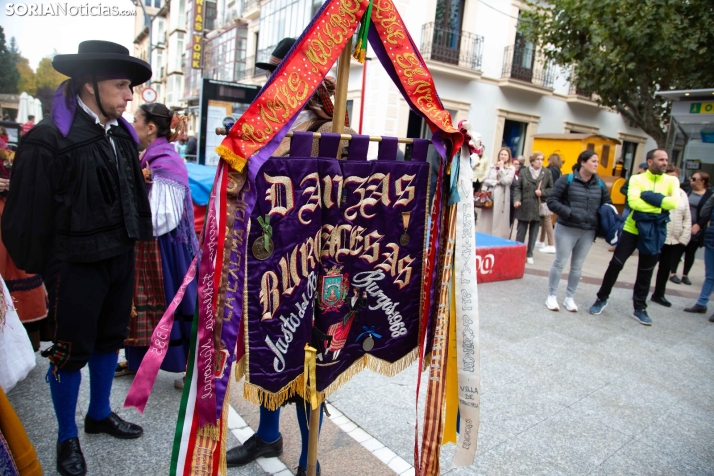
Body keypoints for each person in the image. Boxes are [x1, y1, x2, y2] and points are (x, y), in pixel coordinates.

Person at [1, 40, 153, 476]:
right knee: (69, 352)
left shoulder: (120, 136)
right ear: (89, 85)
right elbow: (27, 216)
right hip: (75, 265)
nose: (129, 96)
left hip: (118, 256)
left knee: (110, 339)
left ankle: (99, 413)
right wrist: (51, 268)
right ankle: (67, 437)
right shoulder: (50, 140)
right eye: (122, 85)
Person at [226, 37, 328, 476]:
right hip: (264, 256)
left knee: (308, 362)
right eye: (271, 74)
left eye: (280, 72)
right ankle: (268, 435)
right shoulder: (263, 123)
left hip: (308, 261)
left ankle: (310, 459)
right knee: (266, 350)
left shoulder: (327, 126)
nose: (273, 82)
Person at [117, 103, 197, 388]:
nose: (133, 123)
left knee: (177, 303)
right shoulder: (150, 156)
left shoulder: (165, 161)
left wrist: (127, 224)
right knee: (139, 303)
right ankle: (137, 361)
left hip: (166, 247)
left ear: (150, 128)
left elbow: (164, 216)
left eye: (136, 119)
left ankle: (193, 369)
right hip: (147, 242)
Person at [589, 149, 679, 325]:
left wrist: (649, 197)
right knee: (616, 264)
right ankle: (601, 298)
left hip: (655, 231)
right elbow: (634, 203)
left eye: (666, 159)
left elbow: (674, 203)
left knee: (646, 271)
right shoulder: (637, 179)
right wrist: (661, 204)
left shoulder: (671, 180)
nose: (664, 162)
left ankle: (640, 308)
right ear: (650, 161)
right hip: (632, 229)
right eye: (660, 159)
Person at [0, 135, 49, 351]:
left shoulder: (8, 147)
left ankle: (20, 342)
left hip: (9, 209)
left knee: (18, 265)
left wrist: (13, 182)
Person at [545, 150, 611, 312]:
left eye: (597, 161)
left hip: (588, 231)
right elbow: (552, 200)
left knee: (577, 266)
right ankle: (552, 296)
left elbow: (607, 205)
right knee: (560, 262)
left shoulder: (600, 184)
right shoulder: (566, 179)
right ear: (583, 162)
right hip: (567, 228)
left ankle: (569, 297)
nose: (596, 164)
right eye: (593, 161)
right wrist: (569, 212)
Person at [650, 165, 690, 307]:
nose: (674, 179)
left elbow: (687, 216)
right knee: (648, 266)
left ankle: (659, 294)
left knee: (665, 268)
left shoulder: (682, 194)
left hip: (674, 239)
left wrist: (684, 238)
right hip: (658, 236)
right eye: (671, 176)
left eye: (676, 176)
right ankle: (640, 292)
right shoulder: (657, 190)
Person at [671, 171, 712, 285]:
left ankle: (685, 275)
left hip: (696, 226)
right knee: (678, 249)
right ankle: (673, 273)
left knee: (690, 252)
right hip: (683, 225)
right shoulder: (686, 190)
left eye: (694, 179)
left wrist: (699, 225)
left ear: (702, 181)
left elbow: (708, 213)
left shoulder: (709, 195)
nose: (691, 180)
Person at [514, 151, 553, 264]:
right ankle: (517, 252)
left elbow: (551, 189)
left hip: (537, 205)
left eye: (542, 159)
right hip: (524, 204)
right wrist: (516, 200)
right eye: (538, 159)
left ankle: (529, 254)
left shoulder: (546, 172)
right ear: (532, 161)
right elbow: (518, 188)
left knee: (534, 232)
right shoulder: (524, 171)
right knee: (521, 231)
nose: (540, 162)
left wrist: (542, 192)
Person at [684, 192, 714, 321]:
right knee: (710, 276)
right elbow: (704, 213)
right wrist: (712, 198)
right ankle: (701, 304)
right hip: (712, 240)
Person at [476, 147, 515, 239]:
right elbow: (485, 179)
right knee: (487, 216)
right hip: (490, 194)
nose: (503, 156)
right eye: (501, 154)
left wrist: (501, 169)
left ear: (508, 157)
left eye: (505, 155)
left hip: (502, 197)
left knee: (498, 217)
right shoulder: (492, 166)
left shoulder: (511, 168)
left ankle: (497, 236)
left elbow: (506, 181)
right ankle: (484, 235)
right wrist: (495, 182)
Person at [536, 153, 563, 253]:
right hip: (554, 197)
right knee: (545, 218)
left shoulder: (549, 170)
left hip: (547, 197)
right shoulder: (558, 171)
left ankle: (551, 244)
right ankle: (541, 240)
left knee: (546, 219)